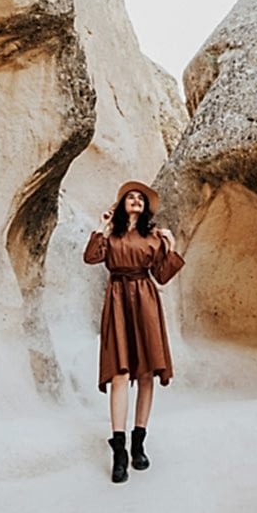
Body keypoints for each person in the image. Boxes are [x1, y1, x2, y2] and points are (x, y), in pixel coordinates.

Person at [83, 179, 185, 484]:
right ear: (122, 204)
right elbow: (91, 257)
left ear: (145, 207)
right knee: (119, 373)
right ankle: (119, 450)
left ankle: (139, 442)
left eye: (141, 198)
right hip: (117, 299)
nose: (137, 200)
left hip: (145, 301)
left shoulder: (153, 236)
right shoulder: (111, 235)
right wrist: (101, 227)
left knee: (146, 373)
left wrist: (171, 246)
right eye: (131, 197)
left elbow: (162, 276)